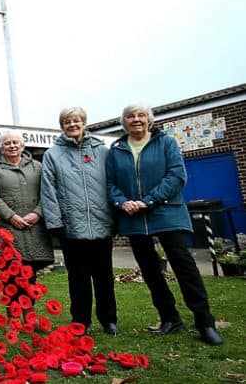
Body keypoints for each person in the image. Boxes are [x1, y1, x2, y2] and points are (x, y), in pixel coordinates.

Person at [105, 103, 223, 346]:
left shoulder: (166, 143)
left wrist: (149, 200)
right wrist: (122, 202)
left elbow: (176, 176)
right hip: (134, 219)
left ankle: (205, 322)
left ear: (149, 120)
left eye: (141, 115)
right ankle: (169, 318)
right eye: (130, 116)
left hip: (167, 214)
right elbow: (109, 183)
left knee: (185, 268)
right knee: (150, 271)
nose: (136, 119)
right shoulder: (115, 150)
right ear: (123, 122)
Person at [40, 106, 119, 335]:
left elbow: (112, 185)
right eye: (67, 121)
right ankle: (80, 321)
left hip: (101, 223)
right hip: (71, 227)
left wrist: (114, 217)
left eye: (76, 121)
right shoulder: (52, 155)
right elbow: (48, 190)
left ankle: (109, 320)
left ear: (84, 123)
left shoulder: (102, 151)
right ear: (62, 126)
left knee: (104, 277)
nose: (72, 125)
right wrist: (55, 222)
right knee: (78, 278)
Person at [0, 131, 53, 318]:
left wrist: (38, 214)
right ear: (1, 148)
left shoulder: (37, 167)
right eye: (7, 144)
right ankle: (12, 320)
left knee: (30, 275)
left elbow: (48, 192)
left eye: (16, 143)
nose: (12, 146)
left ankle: (31, 318)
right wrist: (10, 215)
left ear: (22, 146)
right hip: (8, 230)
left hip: (33, 230)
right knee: (10, 276)